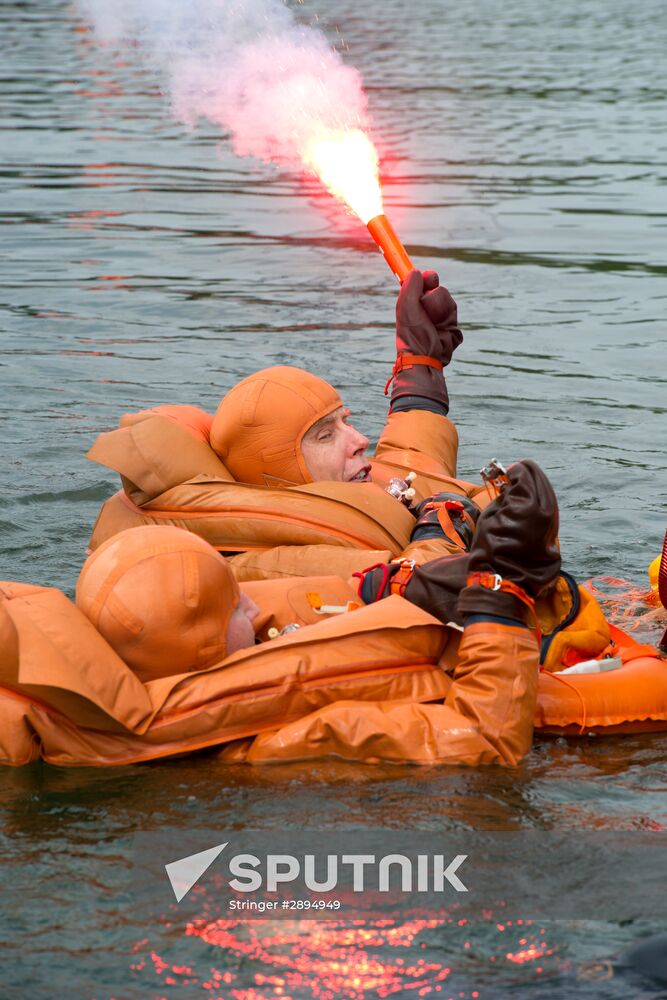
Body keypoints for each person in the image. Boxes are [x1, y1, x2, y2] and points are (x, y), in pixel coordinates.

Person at [0, 458, 560, 767]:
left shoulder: (215, 661)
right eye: (232, 606)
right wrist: (498, 591)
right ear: (203, 650)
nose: (253, 603)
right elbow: (485, 742)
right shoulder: (273, 744)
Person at [85, 270, 494, 578]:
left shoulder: (371, 491)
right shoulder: (247, 570)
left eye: (345, 422)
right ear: (276, 473)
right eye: (324, 435)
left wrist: (421, 366)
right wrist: (443, 530)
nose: (359, 440)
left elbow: (413, 458)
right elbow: (416, 586)